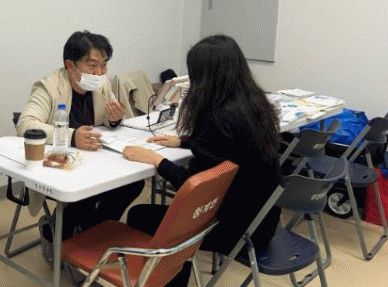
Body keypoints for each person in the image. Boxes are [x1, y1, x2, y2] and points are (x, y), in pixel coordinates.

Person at [122, 35, 282, 287]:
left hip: (235, 229)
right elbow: (232, 147)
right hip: (263, 222)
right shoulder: (254, 105)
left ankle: (159, 281)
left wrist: (155, 159)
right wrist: (185, 142)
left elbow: (194, 188)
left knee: (139, 216)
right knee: (165, 217)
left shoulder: (215, 118)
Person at [17, 30, 144, 260]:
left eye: (104, 65)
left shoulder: (101, 84)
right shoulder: (49, 86)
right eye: (92, 65)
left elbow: (105, 122)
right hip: (60, 165)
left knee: (133, 183)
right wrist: (72, 135)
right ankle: (56, 233)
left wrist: (114, 119)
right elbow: (26, 124)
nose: (100, 72)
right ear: (70, 65)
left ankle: (90, 230)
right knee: (85, 190)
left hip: (93, 160)